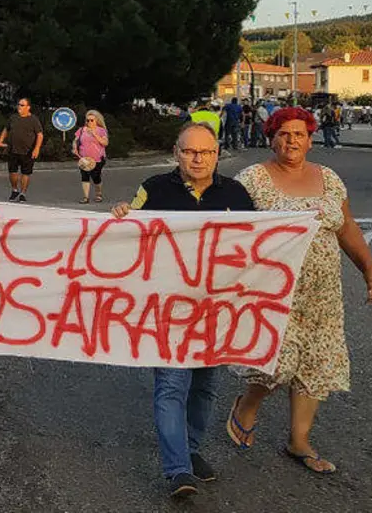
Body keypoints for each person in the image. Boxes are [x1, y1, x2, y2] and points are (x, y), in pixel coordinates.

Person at [225, 107, 372, 475]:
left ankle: (300, 440)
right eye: (283, 133)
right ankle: (247, 404)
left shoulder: (329, 178)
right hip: (273, 292)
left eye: (298, 134)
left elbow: (346, 227)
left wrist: (369, 268)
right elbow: (227, 230)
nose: (291, 140)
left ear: (311, 140)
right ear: (271, 138)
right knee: (275, 363)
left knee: (317, 362)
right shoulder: (251, 179)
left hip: (323, 294)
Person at [109, 121, 256, 498]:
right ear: (177, 153)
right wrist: (122, 216)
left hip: (218, 309)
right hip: (169, 309)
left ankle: (191, 450)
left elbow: (260, 245)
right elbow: (127, 233)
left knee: (204, 386)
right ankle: (178, 470)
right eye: (189, 151)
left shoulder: (237, 195)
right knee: (173, 385)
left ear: (217, 154)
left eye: (205, 152)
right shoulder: (154, 189)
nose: (197, 158)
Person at [0, 98, 43, 203]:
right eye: (19, 104)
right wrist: (0, 140)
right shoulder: (13, 118)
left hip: (28, 151)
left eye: (22, 105)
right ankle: (14, 190)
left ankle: (23, 193)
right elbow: (6, 129)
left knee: (26, 173)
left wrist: (36, 148)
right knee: (12, 172)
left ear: (28, 107)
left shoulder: (33, 120)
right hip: (12, 149)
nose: (19, 107)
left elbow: (40, 135)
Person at [72, 109, 109, 204]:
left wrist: (95, 135)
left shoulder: (101, 130)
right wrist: (74, 147)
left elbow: (105, 143)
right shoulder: (81, 130)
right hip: (84, 159)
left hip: (98, 159)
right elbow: (75, 140)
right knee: (85, 176)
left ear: (97, 120)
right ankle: (85, 197)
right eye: (87, 120)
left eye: (92, 120)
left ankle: (98, 194)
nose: (89, 122)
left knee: (96, 177)